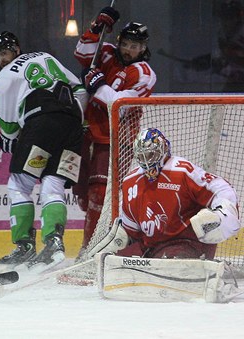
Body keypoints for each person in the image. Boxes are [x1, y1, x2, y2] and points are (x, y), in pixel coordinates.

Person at [0, 31, 87, 272]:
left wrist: (8, 140)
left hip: (41, 126)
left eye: (4, 53)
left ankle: (24, 246)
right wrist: (80, 123)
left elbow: (9, 124)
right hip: (72, 128)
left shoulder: (3, 78)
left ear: (15, 50)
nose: (1, 60)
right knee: (52, 184)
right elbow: (81, 90)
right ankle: (54, 242)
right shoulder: (44, 56)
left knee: (19, 184)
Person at [73, 7, 157, 258]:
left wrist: (97, 84)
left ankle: (90, 249)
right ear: (119, 42)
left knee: (100, 193)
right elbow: (81, 53)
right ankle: (102, 240)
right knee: (82, 195)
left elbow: (118, 107)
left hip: (114, 139)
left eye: (136, 46)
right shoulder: (107, 52)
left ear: (144, 48)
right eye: (127, 44)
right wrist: (97, 27)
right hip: (87, 132)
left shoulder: (144, 74)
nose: (130, 50)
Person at [112, 128, 241, 259]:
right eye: (141, 157)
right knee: (115, 258)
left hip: (188, 243)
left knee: (170, 260)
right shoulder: (130, 182)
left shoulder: (181, 171)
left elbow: (221, 188)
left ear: (163, 149)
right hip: (153, 248)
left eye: (151, 155)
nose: (147, 162)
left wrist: (223, 212)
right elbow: (131, 231)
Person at [184, 0, 244, 92]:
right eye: (224, 18)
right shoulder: (222, 34)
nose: (226, 22)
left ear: (237, 18)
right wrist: (201, 62)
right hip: (232, 82)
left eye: (230, 18)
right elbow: (223, 57)